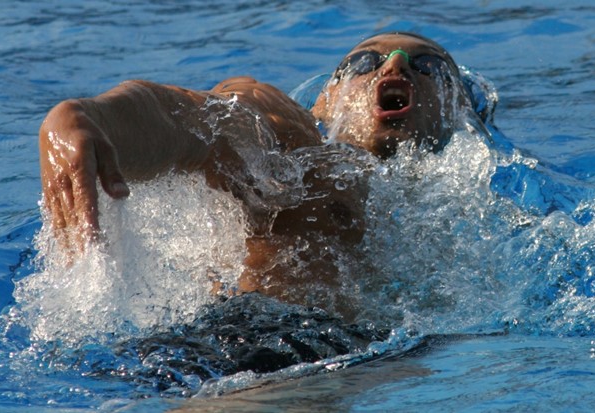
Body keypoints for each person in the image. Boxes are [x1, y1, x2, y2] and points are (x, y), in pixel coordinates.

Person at [39, 32, 471, 316]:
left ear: (458, 111)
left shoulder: (467, 206)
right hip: (251, 345)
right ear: (326, 98)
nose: (394, 67)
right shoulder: (296, 138)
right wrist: (89, 118)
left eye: (428, 67)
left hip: (367, 364)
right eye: (364, 62)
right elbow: (200, 122)